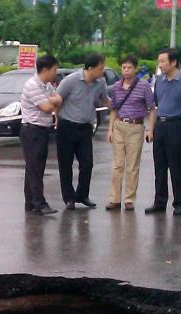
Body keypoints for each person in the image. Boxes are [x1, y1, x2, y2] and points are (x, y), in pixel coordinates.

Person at [55, 53, 109, 210]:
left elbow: (105, 100)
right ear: (90, 68)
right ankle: (69, 197)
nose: (103, 71)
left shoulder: (100, 82)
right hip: (67, 126)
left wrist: (123, 107)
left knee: (87, 164)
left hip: (85, 128)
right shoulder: (71, 81)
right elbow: (58, 99)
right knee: (65, 164)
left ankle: (82, 194)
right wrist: (57, 118)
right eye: (100, 68)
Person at [148, 48, 181, 215]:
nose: (160, 65)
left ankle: (180, 203)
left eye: (162, 61)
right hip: (160, 125)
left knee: (177, 166)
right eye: (159, 61)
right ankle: (160, 201)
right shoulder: (159, 81)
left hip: (177, 125)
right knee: (159, 165)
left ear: (173, 62)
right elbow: (156, 105)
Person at [106, 54, 155, 212]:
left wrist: (150, 129)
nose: (126, 71)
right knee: (117, 165)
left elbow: (152, 109)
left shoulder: (144, 86)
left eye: (129, 68)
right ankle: (114, 199)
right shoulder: (116, 87)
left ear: (135, 69)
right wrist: (110, 129)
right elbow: (113, 109)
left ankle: (129, 199)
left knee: (132, 166)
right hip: (119, 124)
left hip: (136, 126)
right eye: (124, 67)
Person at [19, 55, 63, 216]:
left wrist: (54, 100)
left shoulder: (46, 85)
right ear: (45, 70)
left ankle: (30, 202)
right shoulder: (32, 85)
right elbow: (46, 107)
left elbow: (58, 98)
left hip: (42, 130)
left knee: (34, 168)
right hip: (32, 131)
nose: (55, 73)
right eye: (54, 70)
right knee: (35, 168)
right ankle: (39, 203)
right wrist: (53, 101)